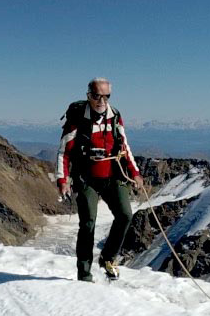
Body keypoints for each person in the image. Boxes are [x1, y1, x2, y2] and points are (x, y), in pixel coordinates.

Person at [56, 77, 144, 282]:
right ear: (89, 96)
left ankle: (107, 258)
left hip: (112, 176)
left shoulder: (115, 116)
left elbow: (124, 147)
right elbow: (64, 152)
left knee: (124, 215)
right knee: (88, 224)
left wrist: (135, 172)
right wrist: (63, 179)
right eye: (97, 95)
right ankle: (84, 273)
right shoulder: (78, 118)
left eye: (106, 96)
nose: (101, 100)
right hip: (86, 178)